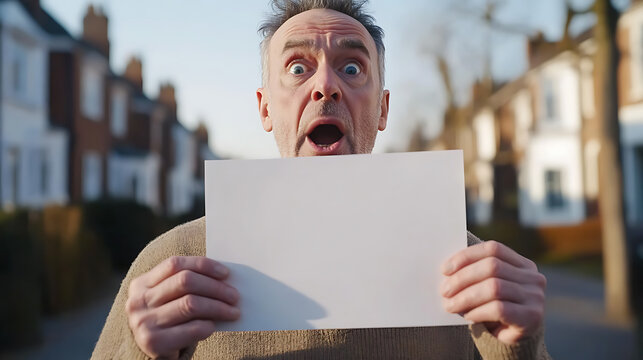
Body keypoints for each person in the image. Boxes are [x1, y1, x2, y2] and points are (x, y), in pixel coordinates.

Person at [92, 1, 549, 359]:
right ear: (266, 108)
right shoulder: (172, 265)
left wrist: (518, 347)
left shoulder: (467, 272)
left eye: (352, 68)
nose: (326, 85)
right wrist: (137, 353)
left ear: (383, 109)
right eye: (297, 68)